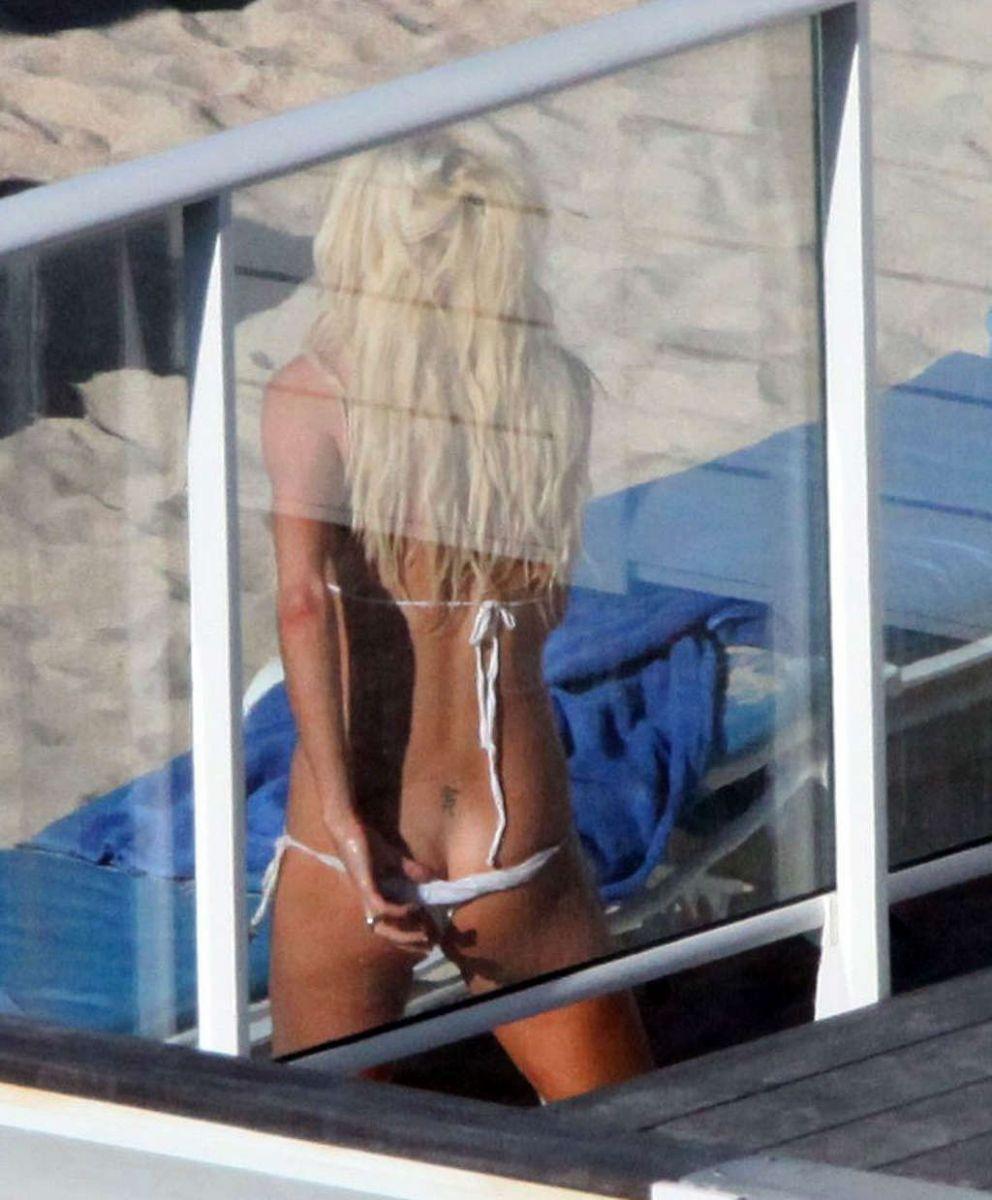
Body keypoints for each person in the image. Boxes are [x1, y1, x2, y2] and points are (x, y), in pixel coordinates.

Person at [258, 131, 653, 1101]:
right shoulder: (549, 388)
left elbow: (302, 607)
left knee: (314, 1141)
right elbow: (545, 605)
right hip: (506, 811)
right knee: (625, 1132)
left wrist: (345, 820)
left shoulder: (313, 396)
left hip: (363, 814)